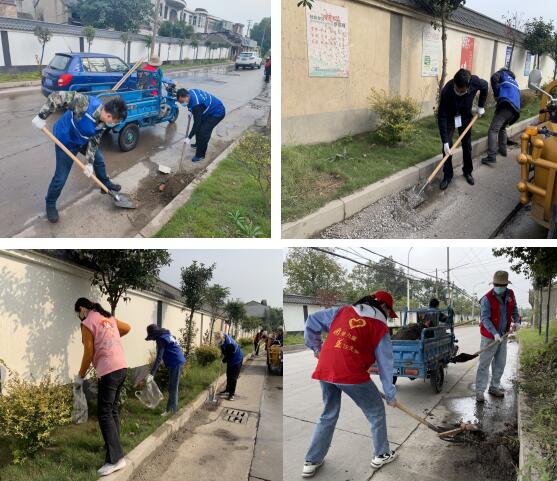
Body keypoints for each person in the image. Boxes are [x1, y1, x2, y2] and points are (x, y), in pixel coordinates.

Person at [302, 291, 398, 478]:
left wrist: (316, 347)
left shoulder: (343, 311)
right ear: (384, 307)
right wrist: (390, 394)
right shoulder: (380, 326)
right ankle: (382, 454)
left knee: (328, 414)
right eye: (388, 310)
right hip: (351, 372)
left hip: (326, 367)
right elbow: (386, 364)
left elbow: (312, 320)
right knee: (376, 412)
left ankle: (311, 461)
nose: (388, 314)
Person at [31, 92, 128, 223]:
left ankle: (105, 184)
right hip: (65, 140)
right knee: (60, 178)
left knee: (98, 160)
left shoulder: (104, 122)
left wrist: (89, 162)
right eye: (115, 121)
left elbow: (94, 141)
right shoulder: (85, 104)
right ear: (108, 115)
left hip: (82, 139)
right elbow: (57, 97)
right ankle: (50, 203)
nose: (114, 124)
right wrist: (42, 116)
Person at [74, 298, 131, 477]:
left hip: (109, 370)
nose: (79, 316)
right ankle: (115, 447)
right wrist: (109, 336)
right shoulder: (108, 318)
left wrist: (80, 375)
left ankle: (115, 459)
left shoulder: (88, 322)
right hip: (122, 367)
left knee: (104, 413)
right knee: (112, 410)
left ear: (82, 309)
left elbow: (89, 352)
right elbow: (127, 328)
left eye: (78, 313)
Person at [437, 68, 488, 190]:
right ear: (454, 83)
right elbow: (442, 116)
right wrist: (444, 141)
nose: (459, 92)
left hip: (465, 117)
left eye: (462, 90)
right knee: (447, 146)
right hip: (450, 118)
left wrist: (481, 106)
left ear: (468, 85)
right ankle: (448, 175)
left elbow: (485, 86)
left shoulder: (474, 81)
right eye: (457, 89)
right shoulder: (447, 91)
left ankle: (467, 171)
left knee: (467, 145)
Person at [475, 271, 519, 403]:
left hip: (503, 335)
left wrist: (517, 321)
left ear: (506, 284)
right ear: (493, 284)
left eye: (501, 285)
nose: (499, 286)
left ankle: (494, 387)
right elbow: (485, 319)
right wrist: (494, 333)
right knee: (484, 364)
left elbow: (514, 309)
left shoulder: (510, 294)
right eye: (496, 284)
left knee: (500, 363)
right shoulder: (486, 299)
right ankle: (480, 391)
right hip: (489, 336)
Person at [481, 67, 521, 166]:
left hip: (507, 105)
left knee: (493, 130)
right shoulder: (514, 82)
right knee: (502, 128)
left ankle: (491, 156)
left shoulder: (502, 73)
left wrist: (496, 93)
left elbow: (494, 77)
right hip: (515, 110)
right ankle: (503, 150)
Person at [144, 324, 186, 416]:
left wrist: (152, 374)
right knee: (171, 388)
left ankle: (173, 413)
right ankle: (169, 410)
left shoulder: (161, 339)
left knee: (173, 389)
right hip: (175, 362)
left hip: (176, 363)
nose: (153, 339)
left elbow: (159, 358)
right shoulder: (166, 335)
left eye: (152, 337)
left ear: (154, 334)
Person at [177, 88, 226, 162]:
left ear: (187, 96)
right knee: (198, 127)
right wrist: (191, 110)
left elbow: (196, 123)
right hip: (206, 111)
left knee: (204, 132)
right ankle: (198, 144)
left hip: (217, 112)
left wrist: (189, 137)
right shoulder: (189, 92)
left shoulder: (197, 105)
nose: (182, 104)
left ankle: (200, 155)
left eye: (182, 101)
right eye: (180, 102)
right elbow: (194, 109)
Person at [214, 331, 243, 401]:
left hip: (237, 360)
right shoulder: (223, 338)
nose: (219, 343)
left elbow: (229, 355)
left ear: (222, 338)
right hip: (231, 359)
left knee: (233, 378)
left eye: (220, 342)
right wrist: (223, 355)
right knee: (228, 375)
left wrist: (223, 361)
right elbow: (224, 350)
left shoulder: (230, 344)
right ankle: (227, 390)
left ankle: (231, 394)